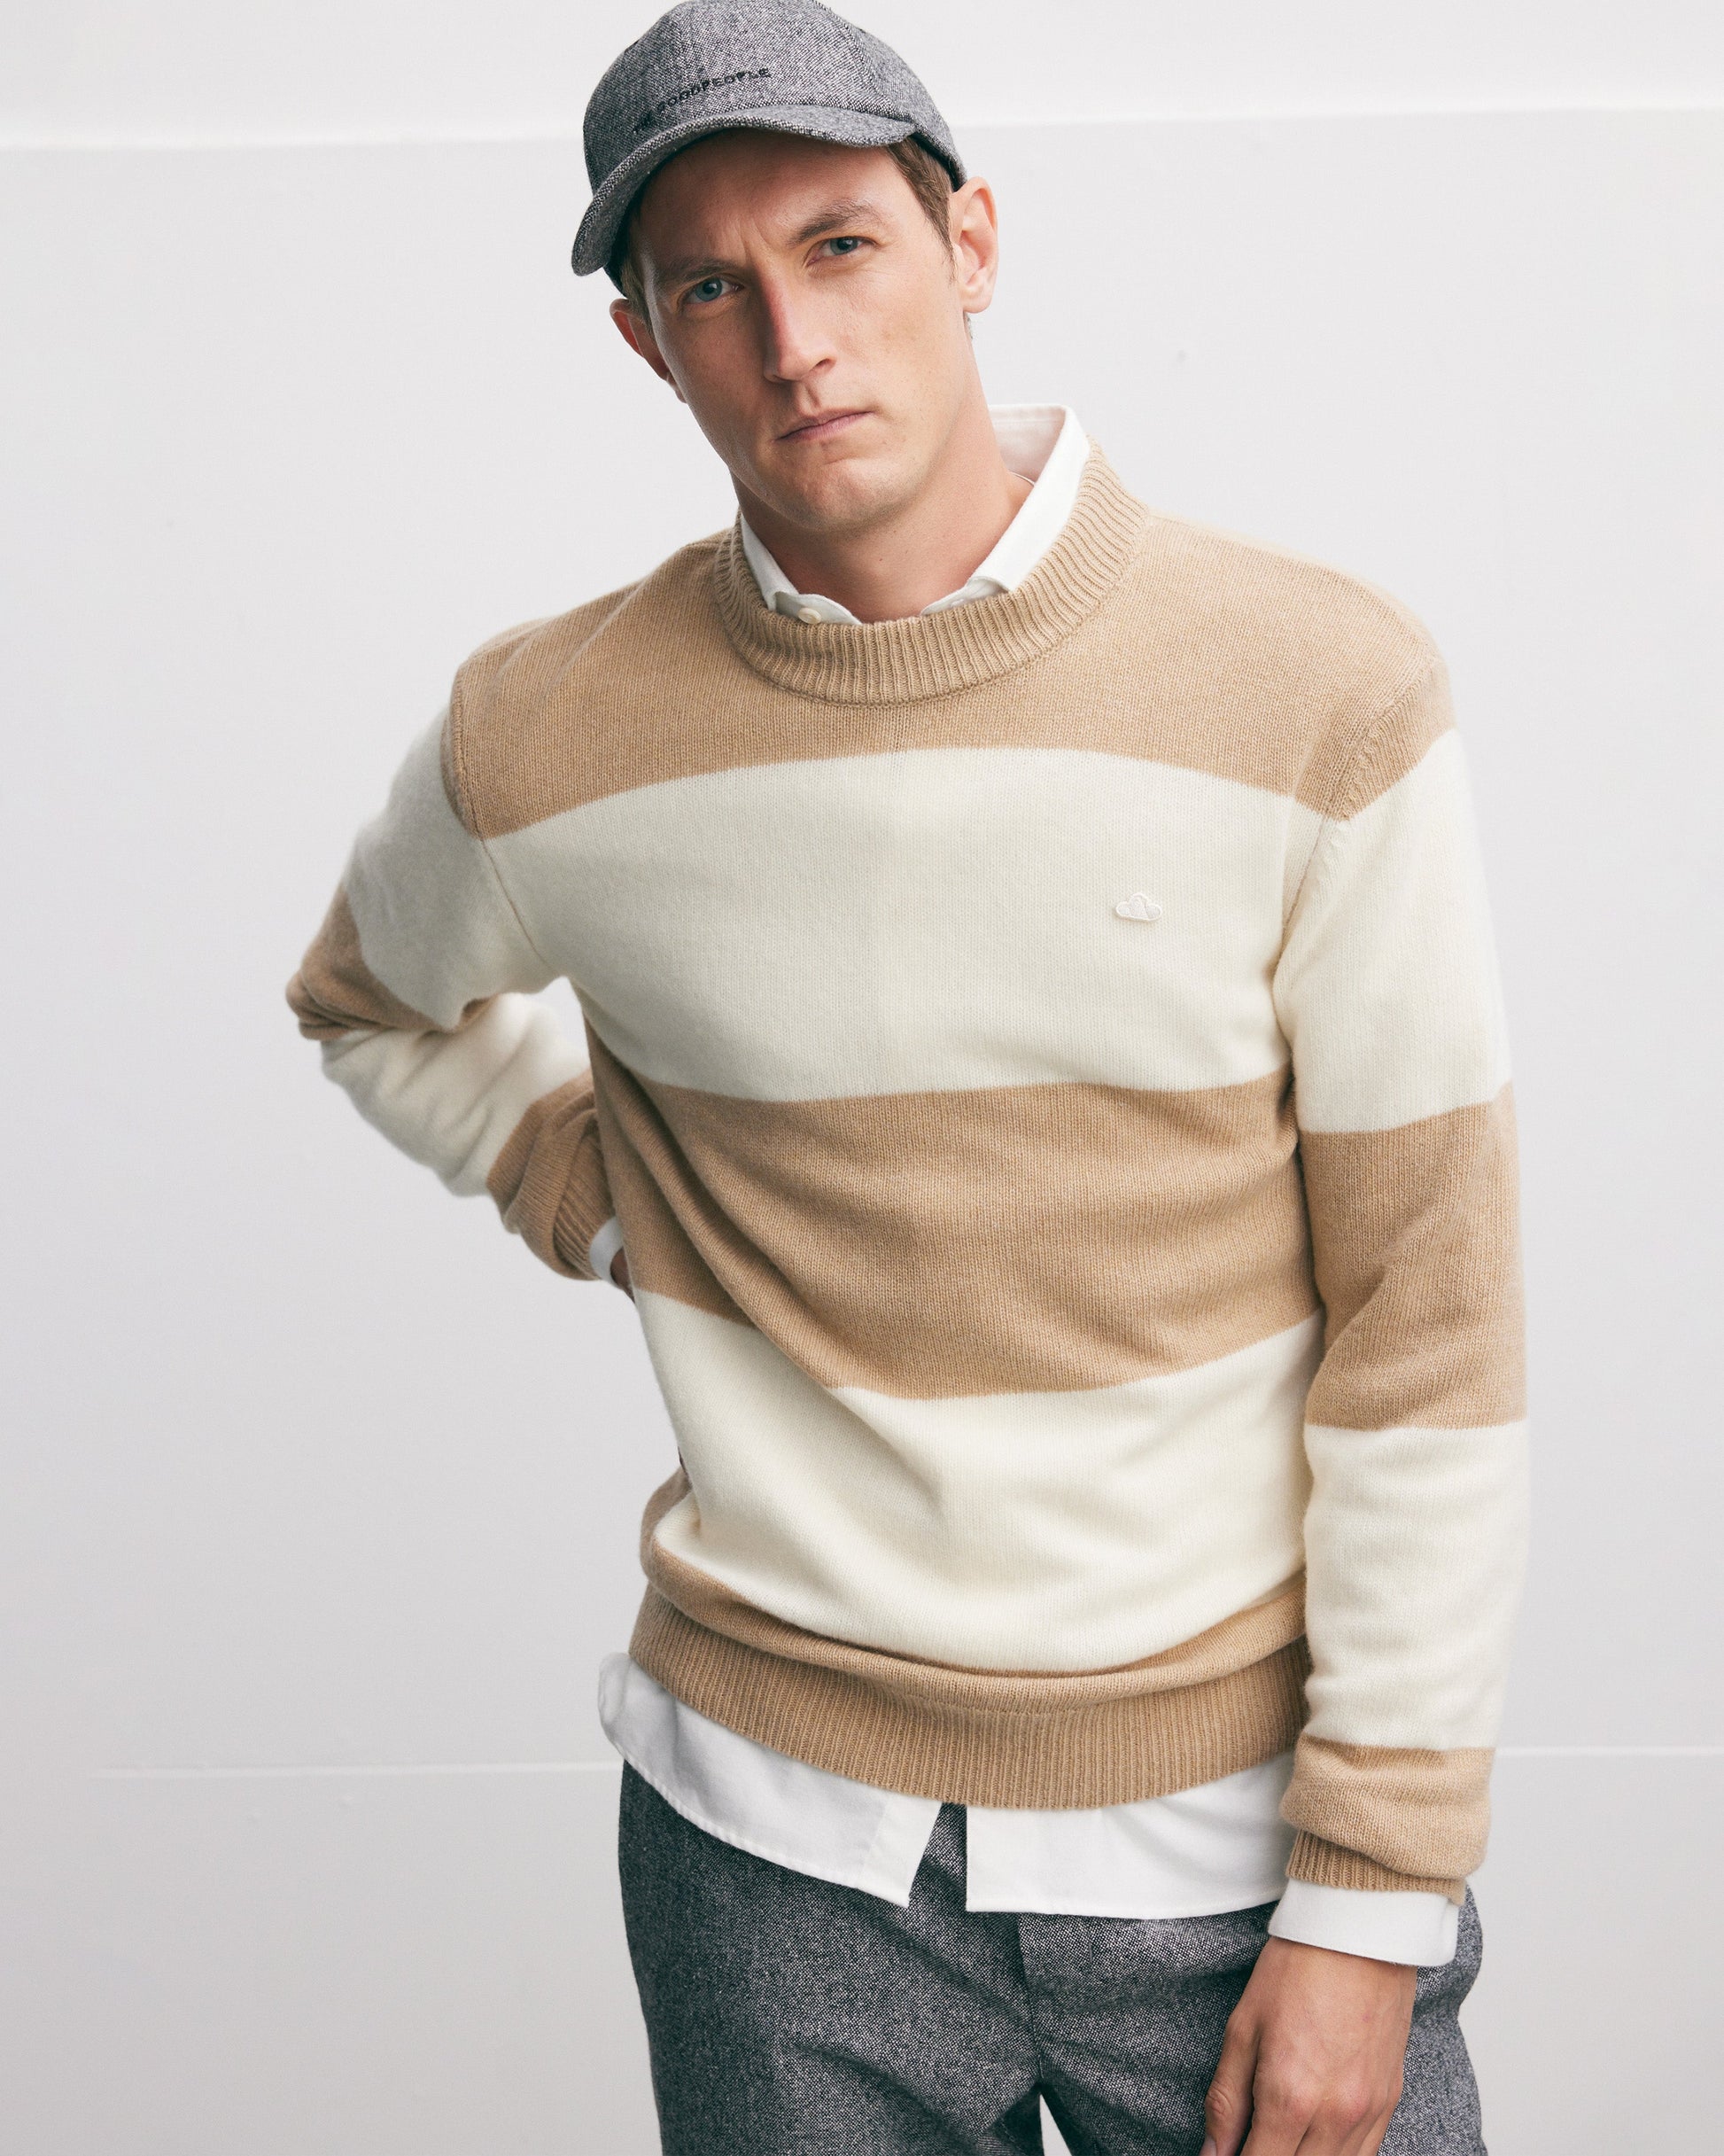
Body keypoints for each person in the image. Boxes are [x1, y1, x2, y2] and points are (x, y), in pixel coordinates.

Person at [285, 3, 1527, 2149]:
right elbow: (365, 998)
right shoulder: (544, 729)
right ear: (646, 347)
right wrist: (596, 1185)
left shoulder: (1318, 685)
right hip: (769, 1845)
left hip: (1243, 1849)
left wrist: (1369, 1899)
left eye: (841, 245)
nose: (793, 342)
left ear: (969, 244)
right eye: (711, 288)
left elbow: (1431, 1329)